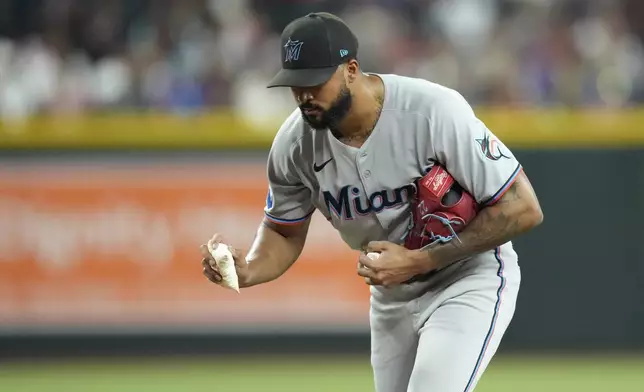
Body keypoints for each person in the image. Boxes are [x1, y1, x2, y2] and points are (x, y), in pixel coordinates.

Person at [200, 12, 543, 392]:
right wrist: (247, 269)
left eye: (314, 80)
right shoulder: (294, 146)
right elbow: (283, 233)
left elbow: (522, 207)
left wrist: (422, 259)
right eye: (295, 84)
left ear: (351, 69)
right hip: (391, 297)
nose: (303, 95)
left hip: (466, 276)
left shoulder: (432, 111)